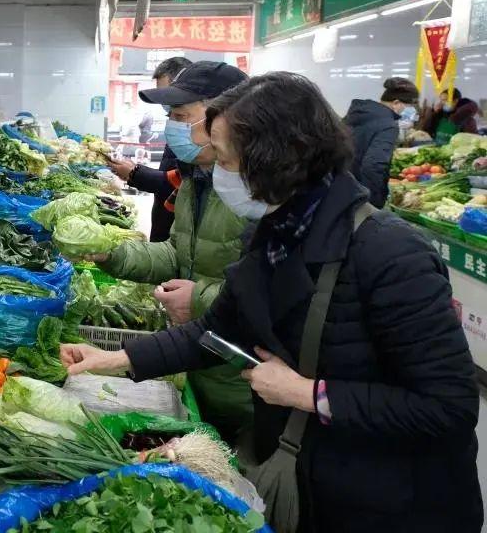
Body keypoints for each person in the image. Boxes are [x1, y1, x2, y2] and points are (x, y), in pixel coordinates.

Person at [62, 72, 481, 532]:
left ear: (275, 159)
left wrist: (306, 393)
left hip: (394, 504)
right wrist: (112, 358)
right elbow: (214, 333)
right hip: (310, 483)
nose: (216, 171)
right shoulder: (272, 235)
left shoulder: (390, 254)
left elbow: (450, 408)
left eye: (223, 157)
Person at [89, 60, 252, 440]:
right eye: (171, 116)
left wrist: (199, 300)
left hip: (244, 377)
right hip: (204, 354)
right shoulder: (197, 178)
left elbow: (276, 295)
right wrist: (112, 253)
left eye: (182, 116)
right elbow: (177, 254)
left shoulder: (254, 193)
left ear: (226, 121)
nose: (173, 127)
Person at [110, 56, 191, 242]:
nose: (172, 117)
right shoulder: (179, 128)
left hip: (175, 236)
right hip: (166, 227)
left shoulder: (197, 139)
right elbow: (177, 177)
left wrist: (135, 174)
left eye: (179, 115)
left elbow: (182, 183)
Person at [343, 76, 419, 208]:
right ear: (396, 103)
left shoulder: (357, 114)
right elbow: (374, 165)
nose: (410, 112)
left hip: (342, 186)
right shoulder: (388, 125)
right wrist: (374, 204)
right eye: (409, 107)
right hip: (361, 196)